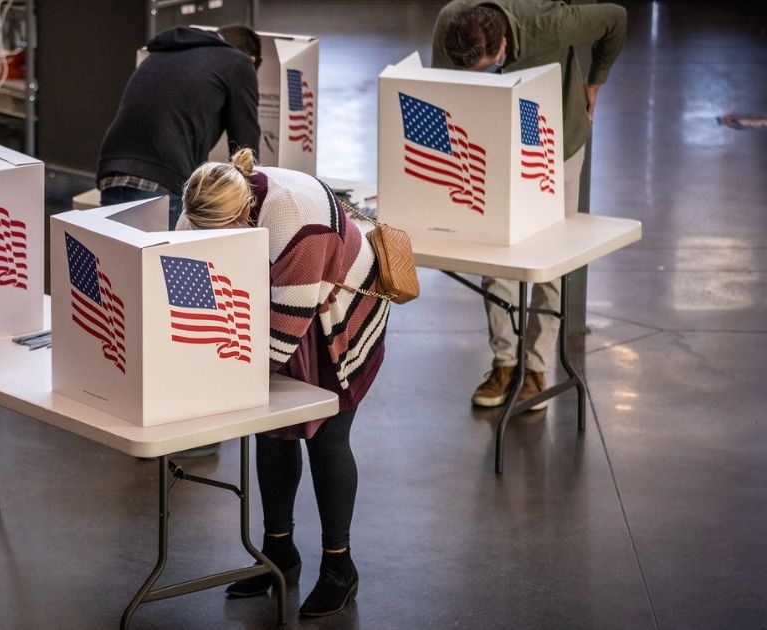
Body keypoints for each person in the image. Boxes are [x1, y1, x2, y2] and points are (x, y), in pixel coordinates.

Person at [178, 149, 390, 618]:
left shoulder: (296, 220)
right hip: (279, 305)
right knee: (272, 433)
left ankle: (340, 567)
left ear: (243, 215)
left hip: (338, 313)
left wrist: (217, 383)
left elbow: (282, 334)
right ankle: (279, 555)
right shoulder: (205, 200)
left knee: (327, 438)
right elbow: (188, 266)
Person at [431, 0, 627, 410]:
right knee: (494, 252)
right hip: (491, 145)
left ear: (504, 45)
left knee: (550, 257)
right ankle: (505, 363)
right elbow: (439, 91)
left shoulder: (550, 23)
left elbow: (616, 19)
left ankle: (536, 369)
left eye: (485, 67)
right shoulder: (452, 21)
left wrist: (594, 82)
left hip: (555, 144)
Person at [97, 24, 262, 231]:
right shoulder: (239, 62)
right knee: (162, 261)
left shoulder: (161, 54)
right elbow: (245, 146)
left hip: (112, 169)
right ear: (253, 59)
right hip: (164, 176)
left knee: (118, 259)